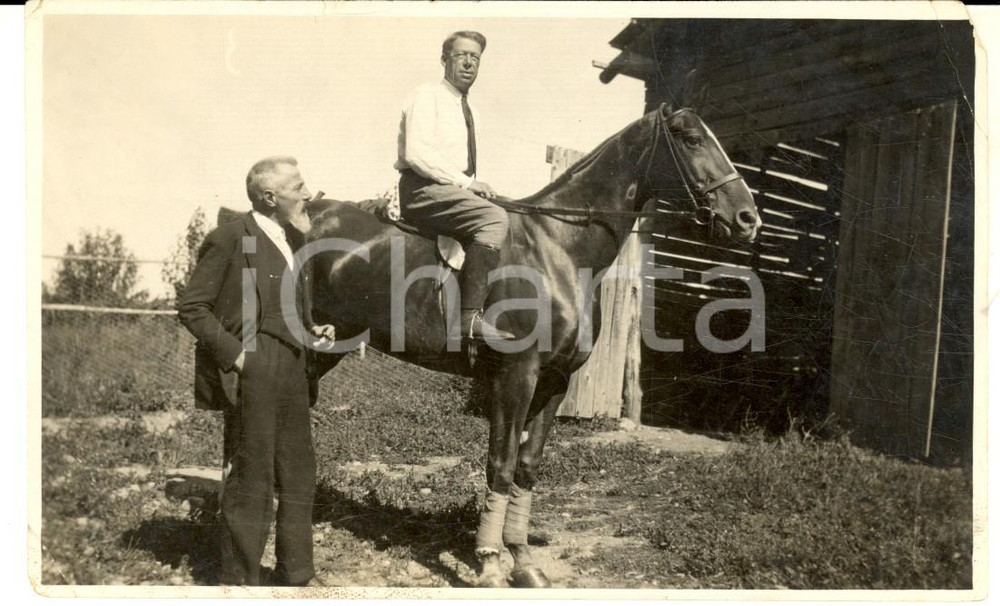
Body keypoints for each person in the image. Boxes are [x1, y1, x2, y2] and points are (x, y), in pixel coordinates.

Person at [178, 156, 336, 587]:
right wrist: (238, 356)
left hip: (294, 368)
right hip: (254, 367)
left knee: (299, 472)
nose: (307, 194)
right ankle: (241, 581)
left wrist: (311, 328)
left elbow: (282, 305)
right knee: (253, 478)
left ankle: (296, 574)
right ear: (270, 197)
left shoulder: (292, 239)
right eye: (298, 187)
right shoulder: (231, 237)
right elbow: (193, 307)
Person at [395, 30, 515, 342]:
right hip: (422, 189)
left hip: (449, 190)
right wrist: (467, 183)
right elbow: (417, 154)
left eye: (474, 57)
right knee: (494, 218)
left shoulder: (469, 108)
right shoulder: (426, 95)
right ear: (444, 59)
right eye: (461, 55)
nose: (468, 62)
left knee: (510, 211)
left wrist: (470, 186)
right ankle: (467, 319)